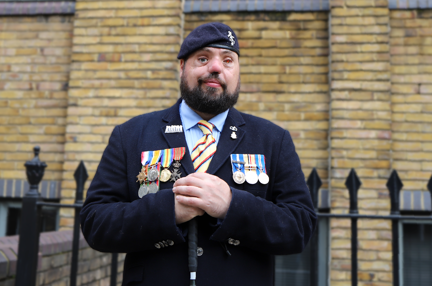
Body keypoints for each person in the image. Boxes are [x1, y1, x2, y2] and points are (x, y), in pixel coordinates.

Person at [80, 22, 317, 286]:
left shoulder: (273, 139)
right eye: (203, 58)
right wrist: (167, 210)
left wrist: (231, 205)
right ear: (182, 67)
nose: (215, 68)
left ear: (237, 72)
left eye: (228, 60)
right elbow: (95, 223)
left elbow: (300, 227)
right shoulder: (131, 134)